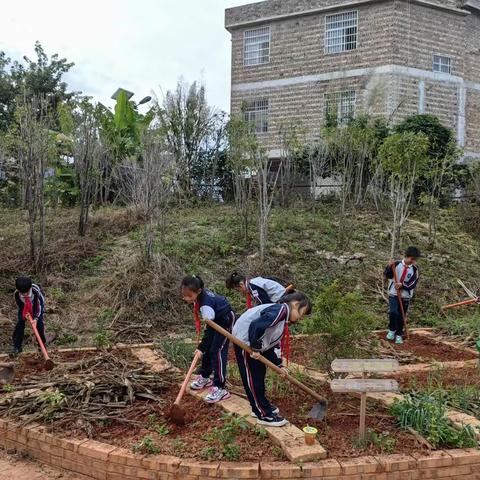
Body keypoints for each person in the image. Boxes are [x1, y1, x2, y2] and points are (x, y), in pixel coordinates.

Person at [232, 292, 312, 426]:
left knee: (258, 376)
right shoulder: (280, 310)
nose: (300, 318)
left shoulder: (281, 318)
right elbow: (256, 326)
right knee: (252, 379)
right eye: (302, 314)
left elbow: (269, 345)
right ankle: (263, 415)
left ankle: (260, 406)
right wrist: (255, 347)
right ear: (296, 304)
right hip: (245, 342)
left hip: (254, 343)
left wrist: (278, 365)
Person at [181, 275, 235, 403]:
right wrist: (202, 348)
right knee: (208, 349)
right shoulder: (201, 296)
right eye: (184, 295)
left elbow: (210, 331)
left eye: (189, 296)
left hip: (225, 321)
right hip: (215, 320)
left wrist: (200, 347)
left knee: (216, 351)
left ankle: (220, 387)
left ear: (198, 291)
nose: (186, 298)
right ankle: (205, 376)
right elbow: (209, 328)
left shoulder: (206, 306)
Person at [384, 246, 421, 345]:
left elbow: (413, 283)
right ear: (407, 256)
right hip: (393, 293)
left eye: (415, 260)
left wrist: (402, 285)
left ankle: (399, 334)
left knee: (401, 316)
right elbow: (388, 275)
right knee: (393, 312)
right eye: (412, 259)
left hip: (405, 296)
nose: (413, 261)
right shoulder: (395, 264)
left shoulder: (415, 269)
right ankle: (392, 330)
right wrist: (388, 267)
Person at [12, 276, 46, 356]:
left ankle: (42, 345)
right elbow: (19, 304)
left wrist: (36, 318)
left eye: (26, 292)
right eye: (22, 293)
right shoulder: (17, 293)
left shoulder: (35, 291)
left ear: (30, 287)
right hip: (24, 307)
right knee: (20, 324)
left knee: (39, 325)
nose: (24, 294)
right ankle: (17, 346)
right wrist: (25, 312)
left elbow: (40, 305)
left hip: (36, 307)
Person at [226, 271, 294, 308]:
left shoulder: (252, 287)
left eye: (237, 290)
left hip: (280, 297)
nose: (239, 292)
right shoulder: (253, 282)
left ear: (241, 284)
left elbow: (264, 303)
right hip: (279, 294)